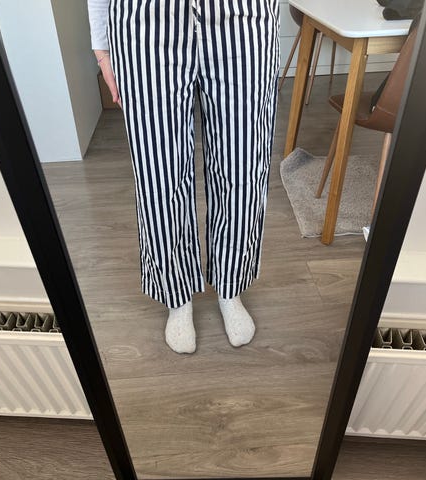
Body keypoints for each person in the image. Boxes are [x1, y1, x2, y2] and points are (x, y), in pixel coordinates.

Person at [87, 0, 280, 353]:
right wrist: (101, 47)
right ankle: (176, 295)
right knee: (158, 172)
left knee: (244, 166)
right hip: (144, 26)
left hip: (243, 21)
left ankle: (231, 285)